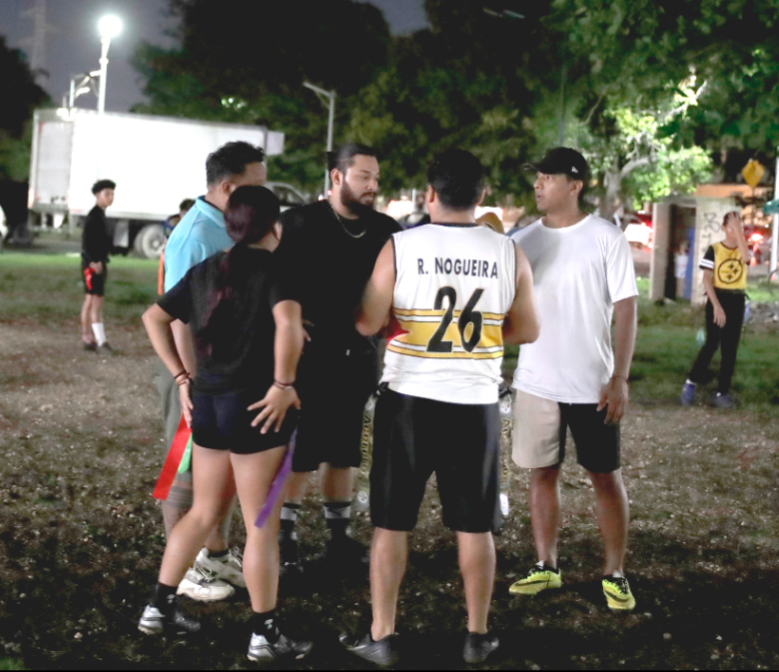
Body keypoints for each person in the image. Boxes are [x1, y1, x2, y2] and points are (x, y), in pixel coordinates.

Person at [341, 150, 538, 668]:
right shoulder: (507, 251)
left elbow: (367, 321)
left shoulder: (400, 246)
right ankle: (476, 635)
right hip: (474, 403)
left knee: (391, 523)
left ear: (431, 194)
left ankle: (383, 634)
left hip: (406, 400)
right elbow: (529, 328)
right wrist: (485, 342)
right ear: (480, 197)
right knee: (475, 526)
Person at [138, 186, 312, 664]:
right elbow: (290, 325)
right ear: (273, 226)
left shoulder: (207, 268)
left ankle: (159, 606)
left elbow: (154, 317)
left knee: (203, 512)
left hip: (209, 405)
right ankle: (265, 633)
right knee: (261, 526)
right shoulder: (278, 269)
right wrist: (283, 382)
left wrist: (180, 377)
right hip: (256, 408)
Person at [508, 147, 639, 613]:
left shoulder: (606, 237)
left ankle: (615, 572)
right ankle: (547, 564)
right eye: (537, 176)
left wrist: (619, 377)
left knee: (605, 476)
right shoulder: (522, 240)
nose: (539, 184)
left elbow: (626, 309)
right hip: (536, 381)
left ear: (575, 184)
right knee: (541, 473)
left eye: (548, 177)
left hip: (592, 384)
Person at [272, 143, 401, 575]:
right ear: (336, 177)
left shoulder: (386, 229)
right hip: (308, 358)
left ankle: (338, 537)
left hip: (361, 357)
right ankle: (284, 538)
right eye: (364, 176)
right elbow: (271, 284)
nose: (373, 185)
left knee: (345, 450)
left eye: (376, 177)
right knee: (300, 451)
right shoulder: (297, 224)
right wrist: (286, 326)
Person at [155, 141, 268, 602]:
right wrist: (188, 379)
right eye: (256, 185)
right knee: (186, 464)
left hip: (223, 372)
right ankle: (180, 570)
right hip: (198, 372)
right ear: (227, 186)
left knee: (217, 469)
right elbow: (178, 315)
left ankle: (215, 556)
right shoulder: (196, 235)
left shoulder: (225, 226)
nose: (265, 195)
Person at [682, 212, 749, 408]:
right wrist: (717, 307)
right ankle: (690, 383)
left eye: (740, 226)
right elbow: (706, 279)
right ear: (723, 228)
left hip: (737, 299)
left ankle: (722, 392)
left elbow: (746, 258)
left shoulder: (742, 248)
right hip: (718, 297)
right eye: (732, 226)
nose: (736, 231)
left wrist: (739, 232)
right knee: (712, 343)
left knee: (730, 348)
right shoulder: (714, 249)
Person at [81, 180, 116, 354]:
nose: (110, 197)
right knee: (96, 301)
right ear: (97, 195)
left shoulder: (100, 215)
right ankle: (101, 341)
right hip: (93, 265)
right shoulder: (94, 216)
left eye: (112, 193)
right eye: (106, 193)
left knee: (90, 300)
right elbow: (87, 242)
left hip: (95, 263)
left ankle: (87, 337)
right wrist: (95, 261)